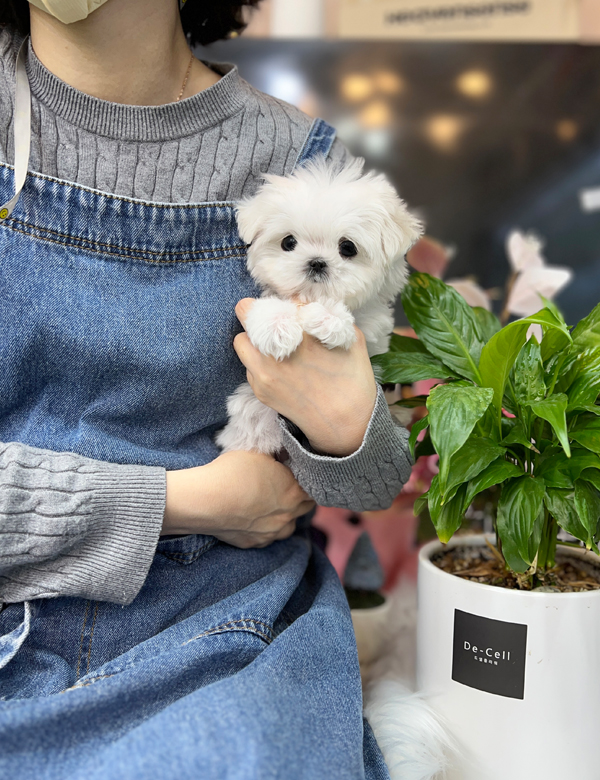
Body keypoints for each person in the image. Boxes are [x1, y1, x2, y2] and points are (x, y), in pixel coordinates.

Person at [0, 1, 412, 776]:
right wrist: (181, 501)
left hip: (227, 623)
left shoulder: (293, 157)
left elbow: (374, 477)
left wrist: (345, 430)